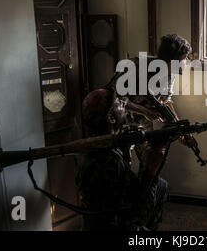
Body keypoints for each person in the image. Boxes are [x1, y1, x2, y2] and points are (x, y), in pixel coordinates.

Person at [76, 34, 193, 231]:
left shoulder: (170, 73)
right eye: (183, 60)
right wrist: (145, 111)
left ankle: (139, 217)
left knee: (149, 168)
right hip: (117, 124)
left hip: (141, 125)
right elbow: (115, 98)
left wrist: (177, 125)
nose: (185, 64)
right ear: (171, 60)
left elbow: (166, 100)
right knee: (118, 170)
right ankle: (120, 218)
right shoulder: (137, 67)